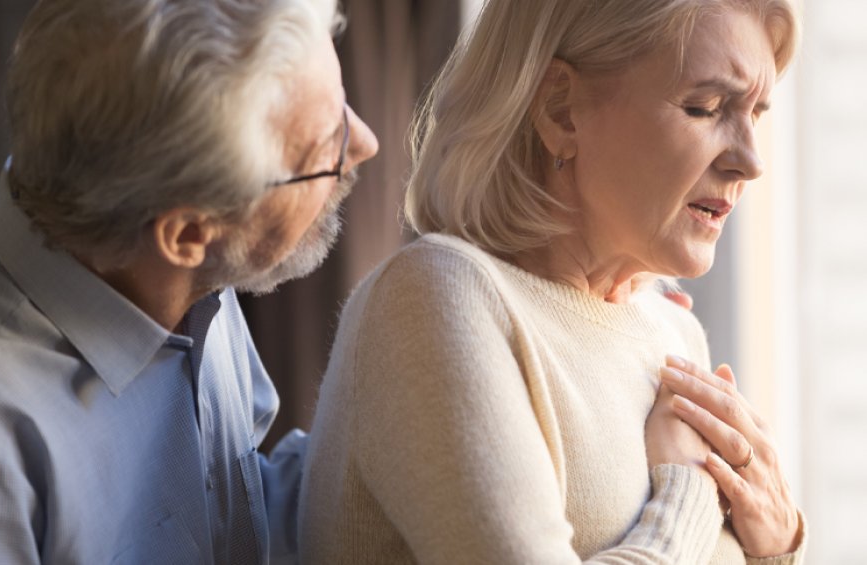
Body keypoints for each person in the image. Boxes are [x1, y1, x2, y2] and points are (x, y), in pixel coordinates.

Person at [300, 0, 805, 563]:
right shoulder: (436, 298)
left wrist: (776, 548)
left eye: (757, 113)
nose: (751, 161)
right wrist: (687, 496)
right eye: (705, 107)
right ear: (561, 109)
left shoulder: (675, 335)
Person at [0, 0, 377, 562]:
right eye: (325, 146)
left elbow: (230, 518)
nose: (365, 142)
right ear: (187, 232)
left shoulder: (178, 269)